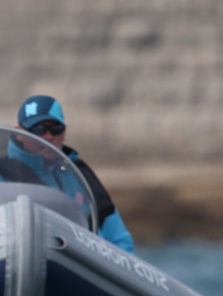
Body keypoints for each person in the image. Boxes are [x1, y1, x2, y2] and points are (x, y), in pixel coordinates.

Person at [15, 94, 134, 253]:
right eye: (38, 130)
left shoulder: (80, 173)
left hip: (85, 265)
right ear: (19, 133)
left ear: (64, 132)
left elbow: (119, 239)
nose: (48, 137)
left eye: (56, 129)